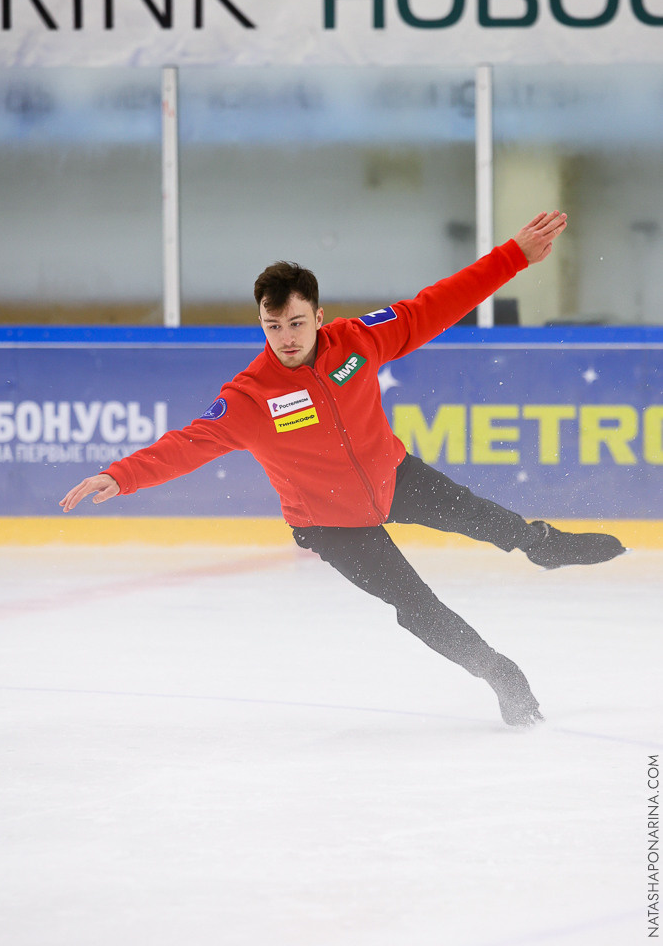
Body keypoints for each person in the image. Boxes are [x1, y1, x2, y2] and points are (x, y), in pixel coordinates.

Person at [60, 211, 625, 727]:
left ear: (319, 317)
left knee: (480, 517)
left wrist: (515, 256)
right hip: (332, 523)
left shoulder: (358, 341)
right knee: (417, 604)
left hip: (393, 476)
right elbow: (190, 442)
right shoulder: (252, 397)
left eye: (296, 323)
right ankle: (500, 673)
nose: (285, 338)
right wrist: (123, 474)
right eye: (273, 325)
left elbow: (435, 305)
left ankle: (541, 544)